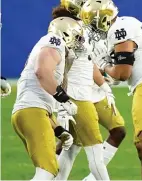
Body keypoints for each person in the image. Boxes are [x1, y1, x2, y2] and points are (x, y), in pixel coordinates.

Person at [81, 0, 142, 180]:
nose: (93, 29)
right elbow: (121, 73)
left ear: (102, 20)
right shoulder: (127, 22)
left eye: (93, 23)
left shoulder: (118, 30)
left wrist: (104, 67)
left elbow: (122, 73)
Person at [50, 1, 122, 180]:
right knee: (92, 150)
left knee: (72, 146)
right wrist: (62, 100)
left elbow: (88, 63)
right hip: (79, 97)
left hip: (79, 95)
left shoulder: (77, 30)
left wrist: (104, 85)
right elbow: (61, 68)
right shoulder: (69, 31)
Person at [11, 17, 80, 180]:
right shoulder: (54, 41)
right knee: (46, 171)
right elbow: (42, 72)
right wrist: (65, 99)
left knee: (49, 169)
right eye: (76, 37)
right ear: (66, 33)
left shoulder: (52, 45)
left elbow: (40, 102)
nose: (78, 42)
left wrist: (58, 130)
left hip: (30, 112)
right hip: (32, 111)